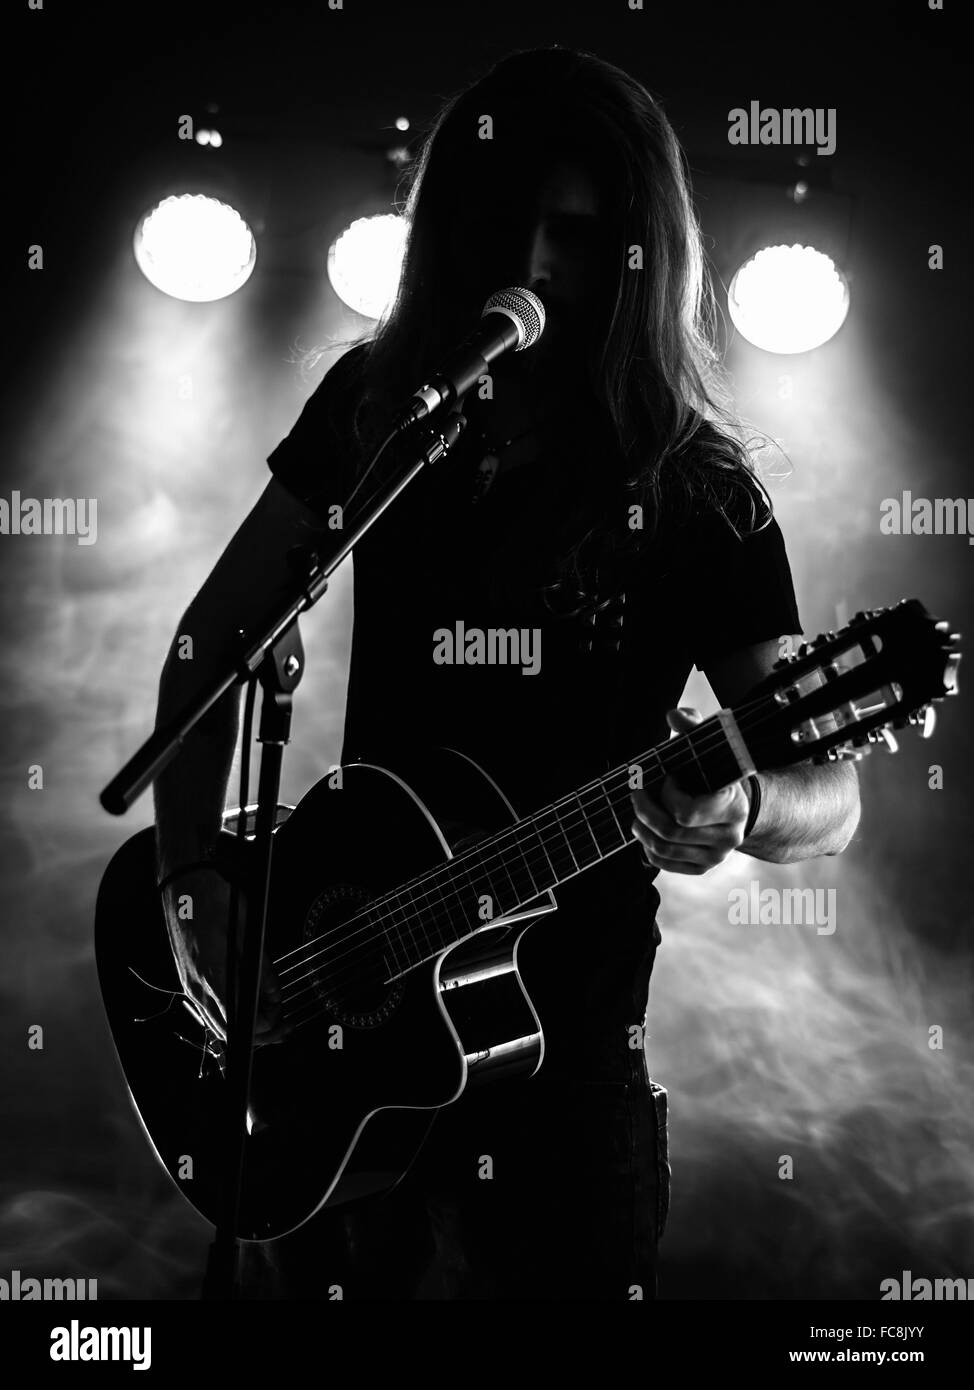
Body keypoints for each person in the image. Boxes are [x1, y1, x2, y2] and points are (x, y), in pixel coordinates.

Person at [153, 46, 860, 1300]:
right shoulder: (378, 409)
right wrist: (196, 874)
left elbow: (829, 793)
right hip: (337, 1057)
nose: (532, 266)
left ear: (640, 251)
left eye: (576, 236)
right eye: (502, 224)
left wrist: (743, 805)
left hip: (558, 1089)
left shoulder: (696, 490)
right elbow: (217, 645)